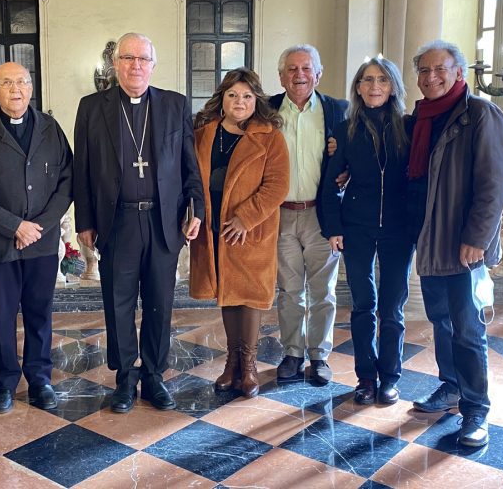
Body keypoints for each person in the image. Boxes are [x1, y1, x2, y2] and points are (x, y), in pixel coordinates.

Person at [73, 32, 204, 413]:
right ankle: (125, 379)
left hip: (164, 222)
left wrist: (195, 210)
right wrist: (84, 220)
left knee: (160, 303)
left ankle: (154, 376)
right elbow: (82, 170)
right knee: (118, 304)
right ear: (115, 65)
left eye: (143, 59)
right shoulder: (91, 107)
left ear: (153, 65)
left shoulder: (174, 105)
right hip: (118, 222)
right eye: (128, 58)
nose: (136, 66)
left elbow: (189, 166)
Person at [406, 40, 503, 448]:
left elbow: (495, 183)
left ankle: (475, 409)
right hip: (431, 242)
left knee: (468, 330)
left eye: (440, 69)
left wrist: (477, 239)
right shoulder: (421, 119)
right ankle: (450, 386)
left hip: (464, 245)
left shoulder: (481, 115)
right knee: (442, 321)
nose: (431, 77)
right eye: (424, 70)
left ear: (458, 73)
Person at [0, 62, 73, 414]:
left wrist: (38, 226)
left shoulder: (50, 129)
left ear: (31, 87)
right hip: (0, 244)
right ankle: (5, 383)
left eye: (22, 82)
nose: (16, 89)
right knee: (4, 316)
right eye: (6, 83)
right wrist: (15, 226)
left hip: (41, 242)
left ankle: (40, 379)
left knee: (40, 313)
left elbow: (67, 181)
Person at [189, 68, 288, 398]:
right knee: (227, 296)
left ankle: (248, 367)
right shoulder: (204, 132)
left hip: (249, 231)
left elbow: (277, 186)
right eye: (233, 95)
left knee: (249, 297)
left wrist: (246, 218)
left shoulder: (269, 135)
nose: (240, 101)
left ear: (256, 99)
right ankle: (231, 364)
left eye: (246, 96)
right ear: (223, 98)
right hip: (214, 228)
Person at [320, 57, 414, 406]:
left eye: (383, 80)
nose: (375, 86)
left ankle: (390, 378)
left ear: (393, 88)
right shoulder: (344, 131)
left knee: (392, 307)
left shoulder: (410, 127)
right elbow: (330, 184)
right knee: (363, 305)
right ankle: (366, 378)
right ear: (358, 87)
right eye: (368, 80)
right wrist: (333, 228)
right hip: (356, 227)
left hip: (399, 228)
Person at [269, 44, 348, 385]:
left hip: (321, 216)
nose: (299, 75)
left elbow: (351, 154)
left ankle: (319, 356)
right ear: (281, 76)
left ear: (318, 74)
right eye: (291, 69)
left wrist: (344, 168)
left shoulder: (337, 110)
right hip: (281, 214)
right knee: (288, 290)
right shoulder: (266, 110)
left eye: (305, 69)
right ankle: (292, 353)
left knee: (323, 291)